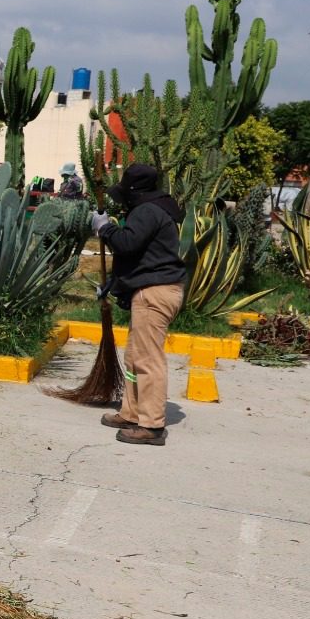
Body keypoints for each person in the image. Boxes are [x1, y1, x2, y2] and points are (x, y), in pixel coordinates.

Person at [91, 163, 186, 447]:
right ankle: (132, 412)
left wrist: (105, 229)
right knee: (135, 357)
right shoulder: (155, 209)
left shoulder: (148, 211)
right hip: (150, 290)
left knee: (148, 360)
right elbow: (141, 258)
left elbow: (128, 243)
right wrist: (112, 287)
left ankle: (151, 425)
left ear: (134, 191)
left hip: (155, 293)